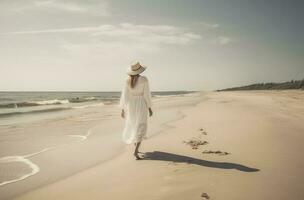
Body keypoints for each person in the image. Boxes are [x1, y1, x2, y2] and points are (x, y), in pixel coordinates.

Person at [120, 61, 153, 160]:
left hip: (131, 105)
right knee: (141, 126)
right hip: (141, 104)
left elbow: (124, 96)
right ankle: (135, 152)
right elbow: (146, 95)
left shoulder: (127, 80)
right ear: (139, 70)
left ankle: (136, 149)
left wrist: (122, 109)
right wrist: (149, 107)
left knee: (134, 125)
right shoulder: (144, 79)